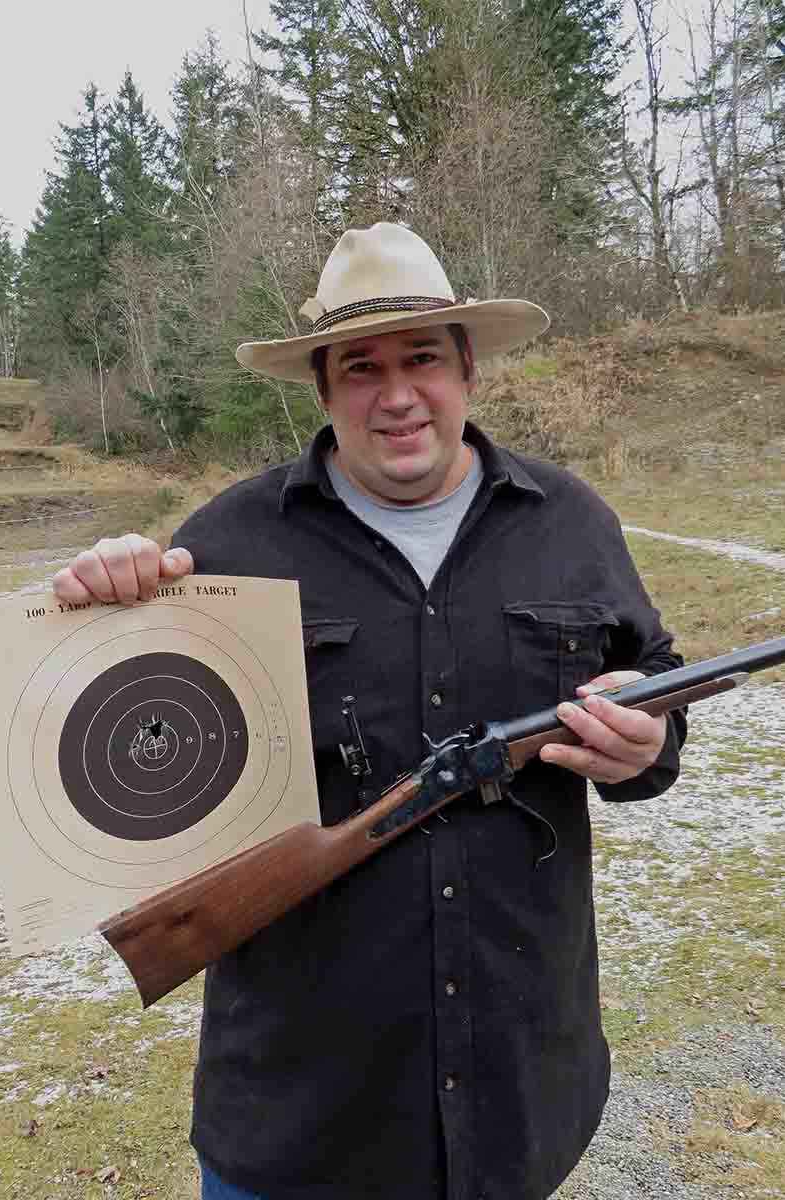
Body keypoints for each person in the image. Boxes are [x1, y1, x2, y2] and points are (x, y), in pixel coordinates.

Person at [54, 223, 685, 1200]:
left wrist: (643, 745)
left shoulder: (574, 523)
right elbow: (131, 757)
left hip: (518, 1105)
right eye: (361, 366)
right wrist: (100, 611)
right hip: (300, 1121)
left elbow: (656, 687)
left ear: (467, 368)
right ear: (323, 386)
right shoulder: (224, 540)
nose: (396, 394)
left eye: (423, 357)